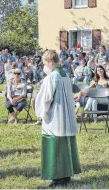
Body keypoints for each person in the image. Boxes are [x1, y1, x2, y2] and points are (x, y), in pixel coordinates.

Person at [34, 50, 81, 187]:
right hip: (66, 116)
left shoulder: (52, 77)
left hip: (56, 117)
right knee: (65, 146)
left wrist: (41, 112)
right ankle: (66, 175)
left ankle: (57, 177)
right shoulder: (65, 74)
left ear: (49, 62)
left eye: (44, 63)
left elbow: (45, 98)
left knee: (55, 146)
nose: (44, 66)